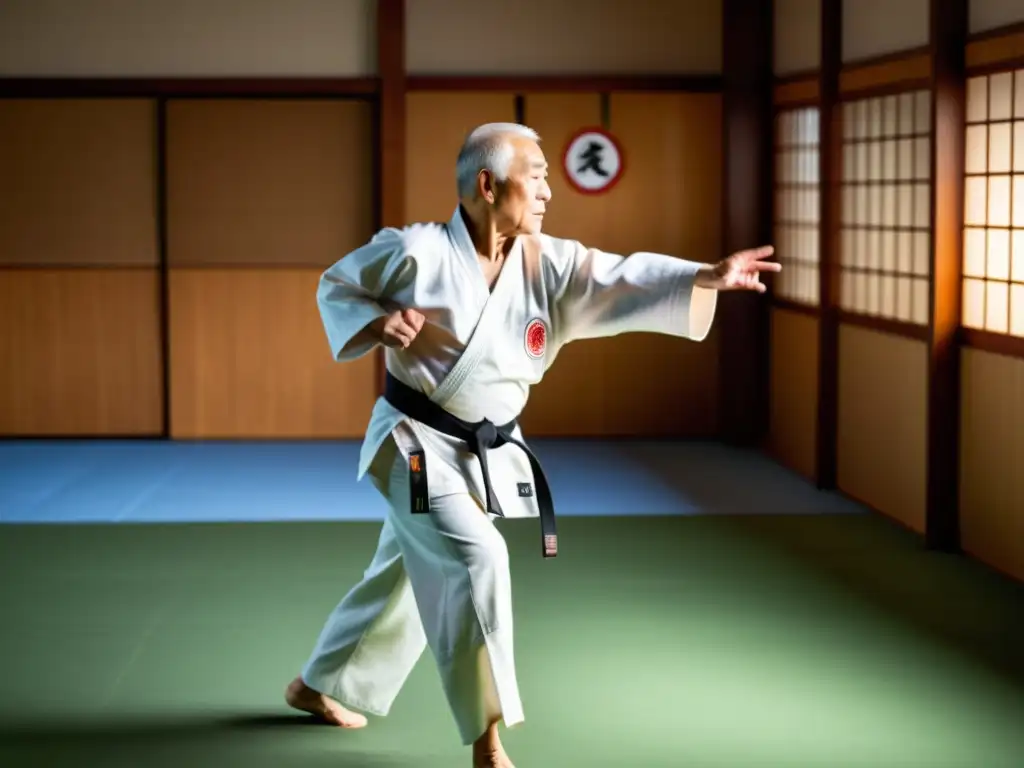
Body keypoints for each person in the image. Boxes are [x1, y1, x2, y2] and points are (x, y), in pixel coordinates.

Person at [285, 122, 779, 767]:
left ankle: (315, 684)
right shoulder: (413, 252)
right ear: (487, 185)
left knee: (404, 571)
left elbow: (623, 276)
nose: (548, 190)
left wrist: (704, 276)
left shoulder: (549, 260)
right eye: (537, 175)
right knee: (479, 557)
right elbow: (336, 286)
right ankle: (487, 741)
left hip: (480, 453)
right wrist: (378, 320)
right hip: (412, 444)